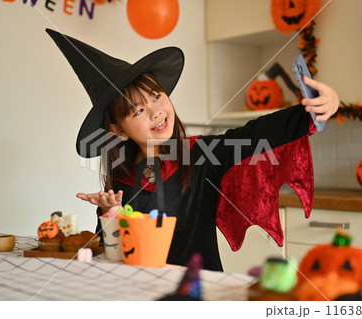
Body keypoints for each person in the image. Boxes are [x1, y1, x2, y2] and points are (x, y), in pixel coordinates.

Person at [46, 29, 339, 271]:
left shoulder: (201, 155)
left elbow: (253, 135)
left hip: (200, 292)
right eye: (138, 110)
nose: (155, 112)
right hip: (142, 296)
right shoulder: (122, 181)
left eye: (156, 96)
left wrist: (313, 112)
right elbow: (113, 257)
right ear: (118, 131)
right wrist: (110, 213)